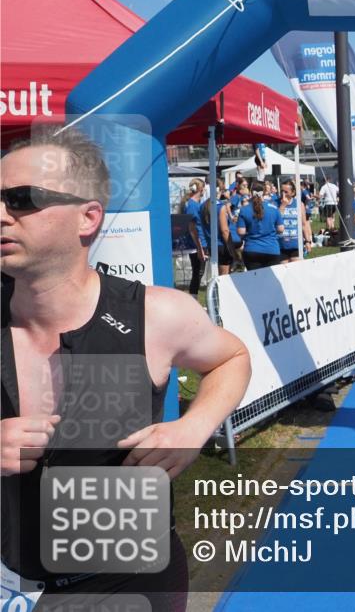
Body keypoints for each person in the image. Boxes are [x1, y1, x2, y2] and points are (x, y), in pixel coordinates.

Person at [1, 126, 250, 609]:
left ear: (87, 217)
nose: (1, 214)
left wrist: (193, 427)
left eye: (21, 199)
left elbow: (231, 358)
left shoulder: (155, 314)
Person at [237, 181, 284, 270]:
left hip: (252, 249)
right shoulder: (274, 208)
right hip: (272, 249)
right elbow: (281, 229)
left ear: (251, 192)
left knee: (254, 278)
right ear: (264, 192)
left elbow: (241, 232)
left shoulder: (244, 209)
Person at [202, 178, 235, 276]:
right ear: (219, 190)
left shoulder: (202, 206)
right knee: (224, 276)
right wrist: (231, 248)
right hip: (221, 245)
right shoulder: (221, 207)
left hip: (210, 244)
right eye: (223, 190)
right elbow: (224, 230)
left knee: (216, 276)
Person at [278, 179, 313, 262]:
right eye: (282, 191)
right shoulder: (275, 203)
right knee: (283, 269)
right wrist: (283, 205)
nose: (283, 194)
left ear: (293, 193)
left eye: (286, 192)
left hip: (296, 244)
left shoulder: (299, 204)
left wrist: (307, 241)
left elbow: (303, 224)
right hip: (280, 245)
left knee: (297, 268)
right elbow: (275, 221)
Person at [183, 178, 207, 295]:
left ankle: (194, 297)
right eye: (204, 188)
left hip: (200, 242)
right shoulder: (192, 206)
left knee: (199, 272)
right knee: (197, 272)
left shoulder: (195, 204)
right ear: (200, 189)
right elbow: (192, 228)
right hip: (197, 243)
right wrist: (200, 248)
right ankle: (193, 297)